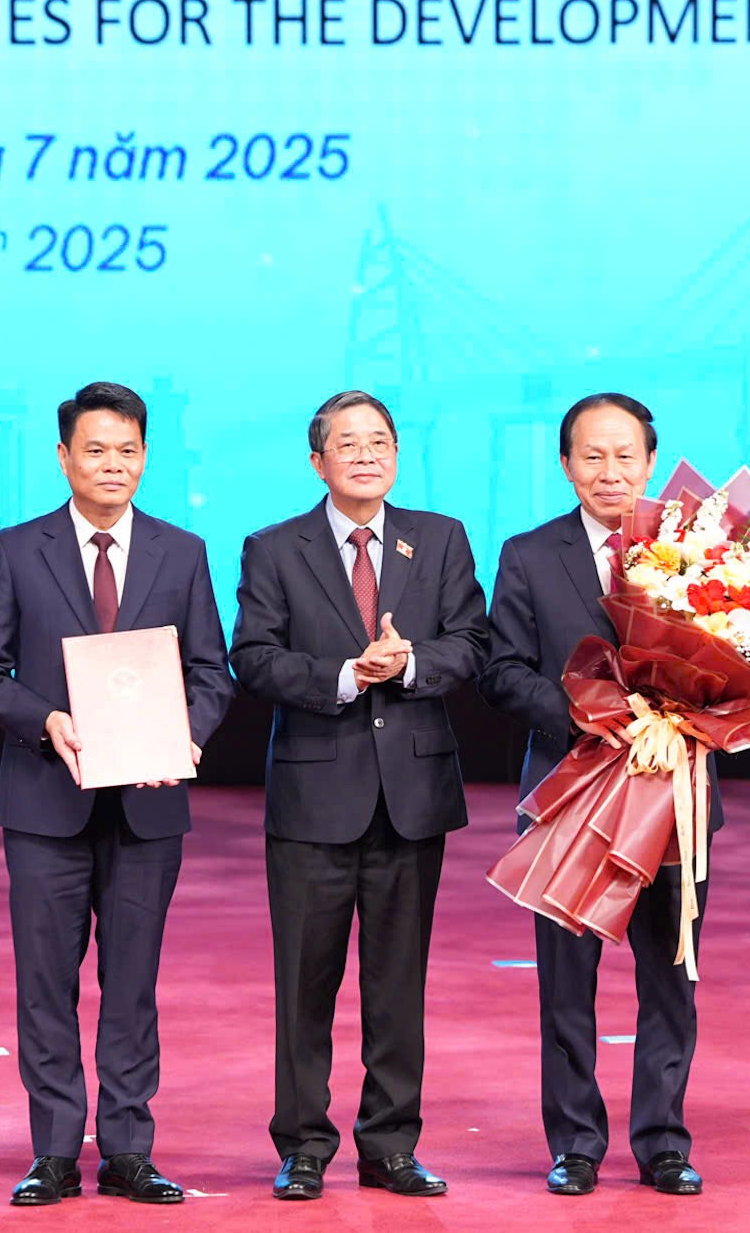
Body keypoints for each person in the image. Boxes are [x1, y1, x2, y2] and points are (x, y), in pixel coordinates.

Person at [0, 381, 234, 1207]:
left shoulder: (182, 551)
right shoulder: (18, 550)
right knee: (46, 982)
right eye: (96, 450)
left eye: (127, 451)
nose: (113, 465)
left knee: (133, 983)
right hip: (47, 799)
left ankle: (128, 1151)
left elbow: (210, 672)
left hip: (148, 803)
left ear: (145, 458)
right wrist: (45, 720)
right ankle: (52, 1152)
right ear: (63, 457)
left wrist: (187, 737)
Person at [229, 389, 489, 1201]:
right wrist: (343, 675)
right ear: (319, 462)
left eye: (380, 440)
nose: (367, 454)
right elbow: (252, 656)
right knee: (304, 984)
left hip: (412, 795)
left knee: (398, 983)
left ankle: (390, 1145)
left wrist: (412, 665)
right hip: (313, 799)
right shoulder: (275, 548)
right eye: (348, 443)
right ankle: (303, 1145)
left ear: (397, 455)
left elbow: (472, 642)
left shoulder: (440, 539)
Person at [476, 392, 719, 1198]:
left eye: (624, 456)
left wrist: (687, 713)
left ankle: (663, 1143)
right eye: (592, 456)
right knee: (565, 983)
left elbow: (739, 661)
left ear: (650, 463)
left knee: (671, 979)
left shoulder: (699, 552)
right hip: (570, 795)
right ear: (565, 464)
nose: (609, 472)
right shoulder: (527, 555)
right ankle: (574, 1144)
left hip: (673, 794)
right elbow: (502, 671)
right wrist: (590, 714)